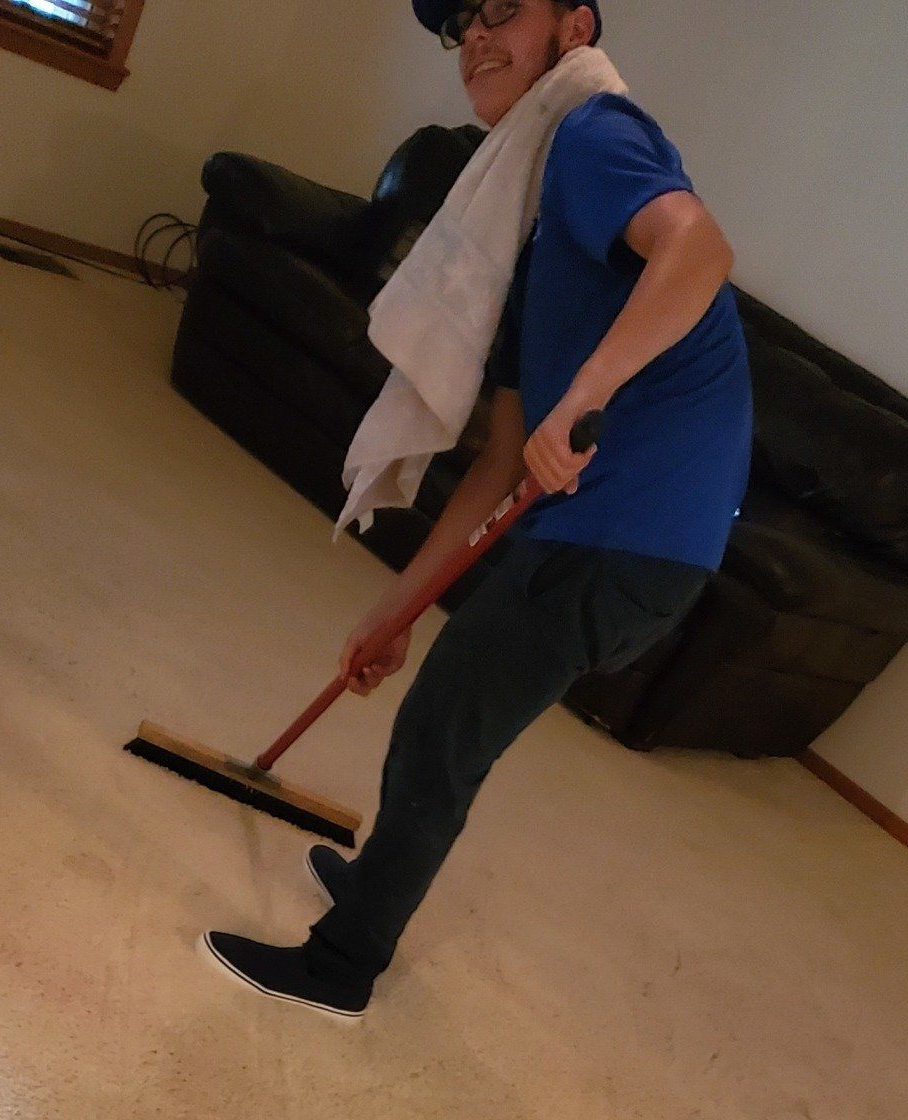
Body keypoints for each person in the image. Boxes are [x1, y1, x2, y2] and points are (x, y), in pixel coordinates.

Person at [203, 0, 753, 1021]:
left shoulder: (592, 129)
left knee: (442, 730)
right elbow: (500, 459)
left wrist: (583, 397)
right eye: (464, 23)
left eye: (505, 9)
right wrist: (394, 611)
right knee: (444, 710)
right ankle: (373, 886)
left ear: (575, 29)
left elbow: (700, 249)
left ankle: (341, 968)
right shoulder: (528, 238)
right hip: (612, 530)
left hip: (632, 531)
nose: (478, 37)